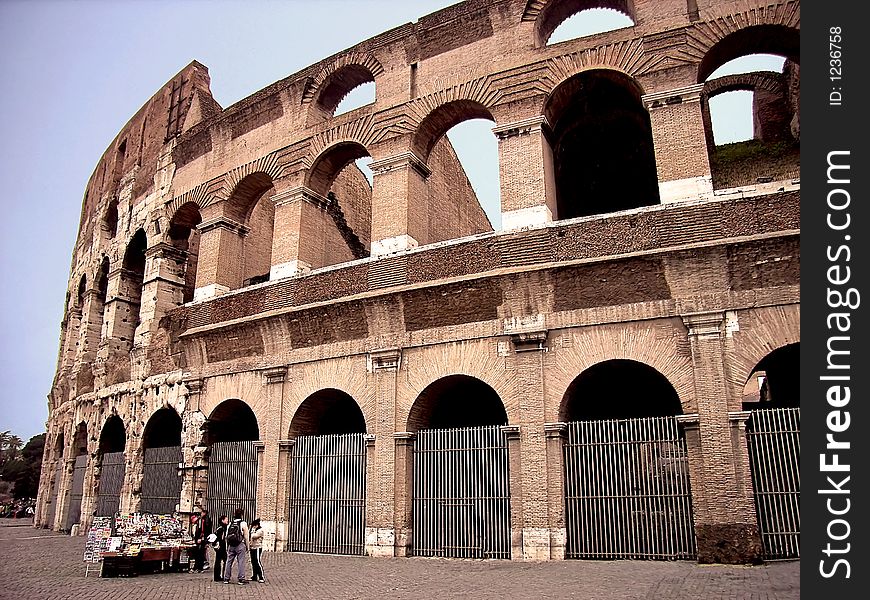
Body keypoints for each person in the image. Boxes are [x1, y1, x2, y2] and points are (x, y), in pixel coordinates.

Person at [223, 507, 250, 585]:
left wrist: (227, 546)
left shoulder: (230, 524)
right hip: (240, 545)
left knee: (229, 561)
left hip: (231, 545)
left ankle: (226, 578)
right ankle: (241, 578)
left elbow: (226, 536)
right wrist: (247, 547)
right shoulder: (243, 523)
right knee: (241, 561)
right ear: (241, 515)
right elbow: (246, 536)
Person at [211, 515, 229, 582]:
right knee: (224, 562)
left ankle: (219, 576)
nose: (227, 520)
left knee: (220, 561)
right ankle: (222, 576)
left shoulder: (221, 528)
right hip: (222, 547)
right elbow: (221, 539)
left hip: (220, 548)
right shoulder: (222, 529)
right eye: (226, 519)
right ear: (222, 520)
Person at [249, 518, 265, 583]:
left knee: (257, 561)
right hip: (252, 547)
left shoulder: (260, 530)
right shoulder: (254, 530)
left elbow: (253, 536)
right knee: (253, 562)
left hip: (258, 547)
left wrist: (251, 531)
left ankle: (261, 576)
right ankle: (254, 576)